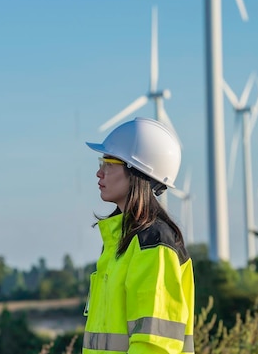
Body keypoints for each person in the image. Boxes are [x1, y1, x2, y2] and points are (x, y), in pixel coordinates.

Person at [82, 117, 194, 354]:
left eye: (108, 164)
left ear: (136, 172)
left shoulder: (154, 244)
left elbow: (154, 344)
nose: (98, 173)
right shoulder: (120, 241)